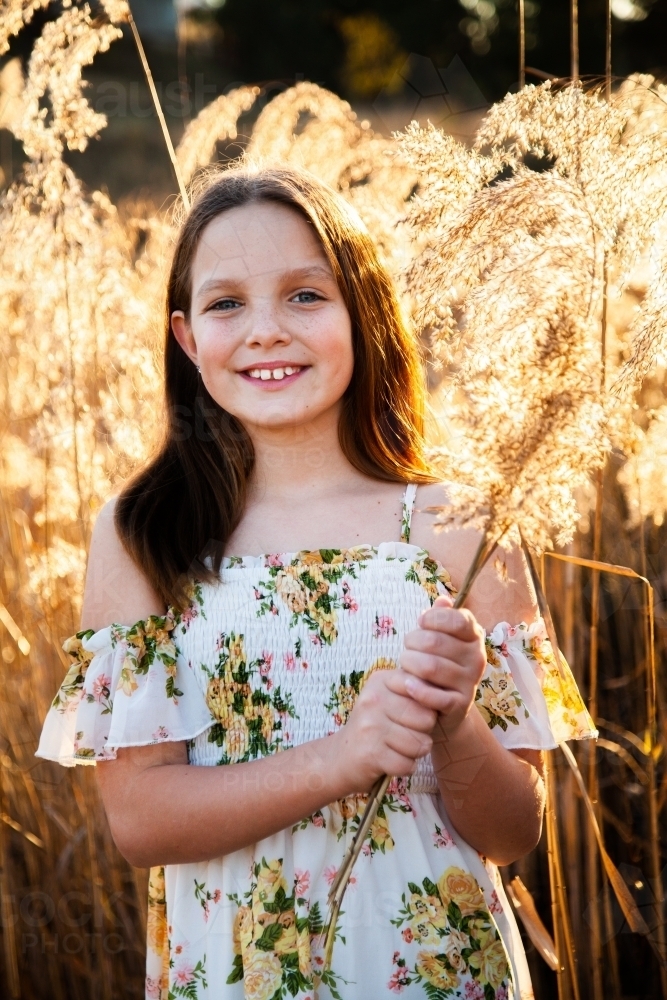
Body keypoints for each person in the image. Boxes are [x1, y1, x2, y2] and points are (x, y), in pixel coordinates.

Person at [37, 166, 595, 1000]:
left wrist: (454, 723)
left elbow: (514, 831)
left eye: (306, 295)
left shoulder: (460, 523)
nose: (265, 330)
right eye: (227, 304)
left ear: (362, 315)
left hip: (437, 972)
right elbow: (141, 821)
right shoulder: (145, 532)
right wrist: (341, 757)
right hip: (236, 973)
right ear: (188, 340)